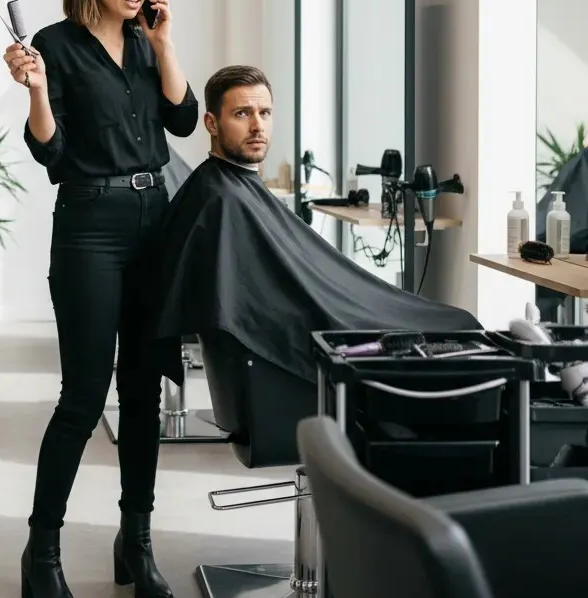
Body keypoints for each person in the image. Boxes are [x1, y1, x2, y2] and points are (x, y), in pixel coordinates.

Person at [3, 0, 198, 598]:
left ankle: (135, 545)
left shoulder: (148, 44)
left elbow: (183, 121)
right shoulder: (54, 47)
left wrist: (167, 40)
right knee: (84, 396)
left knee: (143, 394)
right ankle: (43, 555)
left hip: (155, 229)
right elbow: (50, 154)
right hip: (89, 226)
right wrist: (35, 89)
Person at [149, 65, 481, 386]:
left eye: (264, 113)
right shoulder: (221, 198)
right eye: (242, 114)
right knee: (456, 327)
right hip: (321, 324)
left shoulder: (228, 187)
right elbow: (265, 304)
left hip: (331, 308)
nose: (257, 126)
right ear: (211, 123)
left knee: (453, 323)